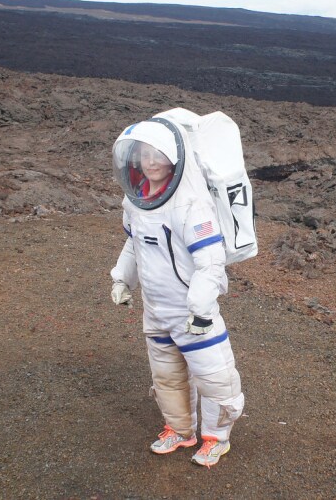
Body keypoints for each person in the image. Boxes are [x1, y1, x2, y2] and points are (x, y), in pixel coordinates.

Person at [109, 115, 244, 467]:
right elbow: (134, 246)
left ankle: (216, 438)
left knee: (214, 378)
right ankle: (181, 431)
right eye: (144, 155)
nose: (151, 162)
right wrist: (122, 279)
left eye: (158, 155)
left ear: (174, 158)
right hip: (156, 310)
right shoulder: (136, 201)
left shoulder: (190, 206)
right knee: (167, 377)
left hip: (192, 314)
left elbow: (210, 261)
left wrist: (201, 308)